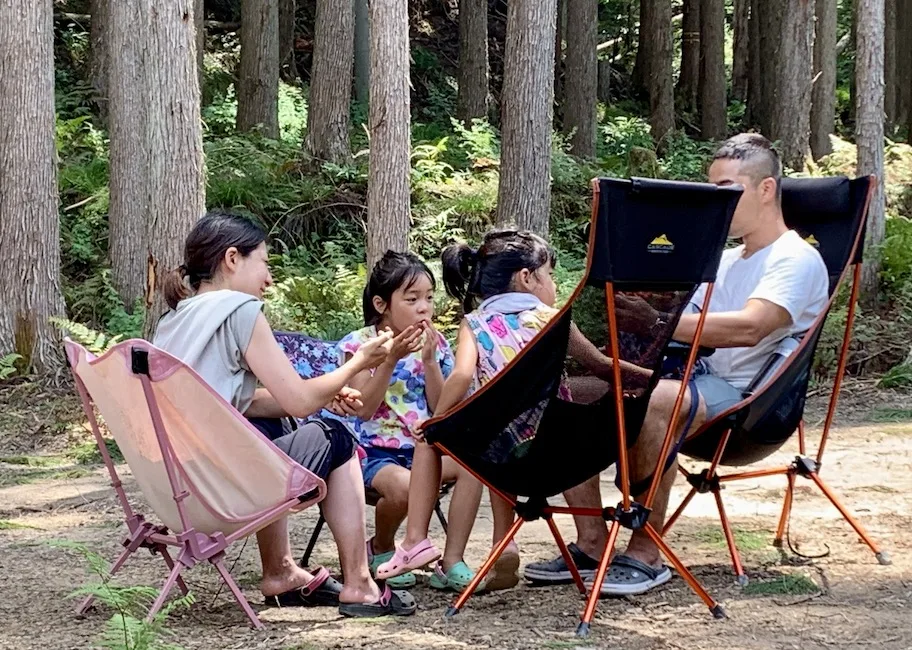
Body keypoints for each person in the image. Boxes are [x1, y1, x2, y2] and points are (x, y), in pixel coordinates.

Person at [523, 133, 830, 596]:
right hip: (696, 378)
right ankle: (590, 543)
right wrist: (640, 314)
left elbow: (751, 327)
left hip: (748, 400)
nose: (718, 202)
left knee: (659, 398)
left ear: (766, 189)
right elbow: (684, 323)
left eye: (727, 188)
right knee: (574, 391)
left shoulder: (797, 259)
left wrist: (661, 321)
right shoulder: (725, 260)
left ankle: (646, 551)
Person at [153, 210, 416, 617]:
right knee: (336, 437)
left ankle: (280, 572)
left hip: (181, 489)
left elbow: (233, 404)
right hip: (227, 489)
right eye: (265, 262)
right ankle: (360, 584)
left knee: (266, 423)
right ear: (232, 259)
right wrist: (357, 364)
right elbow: (297, 400)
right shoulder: (239, 311)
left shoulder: (173, 321)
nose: (269, 278)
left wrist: (325, 394)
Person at [376, 230, 619, 590]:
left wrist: (436, 419)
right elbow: (600, 364)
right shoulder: (554, 318)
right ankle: (498, 543)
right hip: (567, 449)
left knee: (457, 438)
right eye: (549, 274)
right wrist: (647, 376)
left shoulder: (475, 323)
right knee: (505, 434)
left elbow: (459, 377)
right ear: (526, 278)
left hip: (508, 457)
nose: (552, 283)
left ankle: (428, 541)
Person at [337, 250, 485, 592]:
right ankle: (383, 546)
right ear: (381, 304)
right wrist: (389, 360)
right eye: (412, 299)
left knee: (474, 466)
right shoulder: (359, 345)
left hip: (424, 450)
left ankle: (451, 560)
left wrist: (431, 362)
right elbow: (364, 409)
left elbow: (439, 409)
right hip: (374, 453)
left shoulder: (436, 342)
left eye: (429, 298)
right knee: (404, 487)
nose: (424, 308)